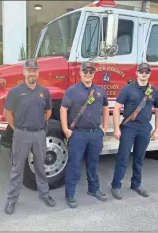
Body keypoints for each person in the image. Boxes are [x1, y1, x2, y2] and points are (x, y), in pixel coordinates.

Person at [4, 59, 56, 215]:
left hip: (39, 133)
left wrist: (41, 124)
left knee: (41, 166)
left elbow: (48, 111)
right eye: (29, 70)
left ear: (37, 72)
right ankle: (12, 199)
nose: (31, 73)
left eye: (34, 70)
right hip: (21, 133)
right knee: (17, 168)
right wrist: (17, 129)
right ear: (24, 72)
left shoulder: (44, 92)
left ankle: (44, 194)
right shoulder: (15, 91)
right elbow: (8, 114)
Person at [60, 61, 109, 208]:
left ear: (94, 73)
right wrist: (66, 130)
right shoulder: (72, 91)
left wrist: (104, 128)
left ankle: (93, 190)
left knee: (93, 164)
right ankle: (70, 194)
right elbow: (63, 110)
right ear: (80, 73)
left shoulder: (100, 90)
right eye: (85, 71)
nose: (88, 74)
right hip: (78, 134)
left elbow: (106, 108)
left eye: (91, 72)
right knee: (74, 165)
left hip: (95, 134)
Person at [111, 62, 158, 200]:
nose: (144, 73)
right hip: (129, 127)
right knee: (123, 157)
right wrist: (116, 128)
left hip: (145, 128)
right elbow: (116, 108)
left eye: (147, 71)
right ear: (136, 73)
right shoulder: (128, 89)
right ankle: (116, 186)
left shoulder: (154, 91)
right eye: (141, 71)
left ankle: (136, 184)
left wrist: (157, 129)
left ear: (149, 73)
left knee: (139, 159)